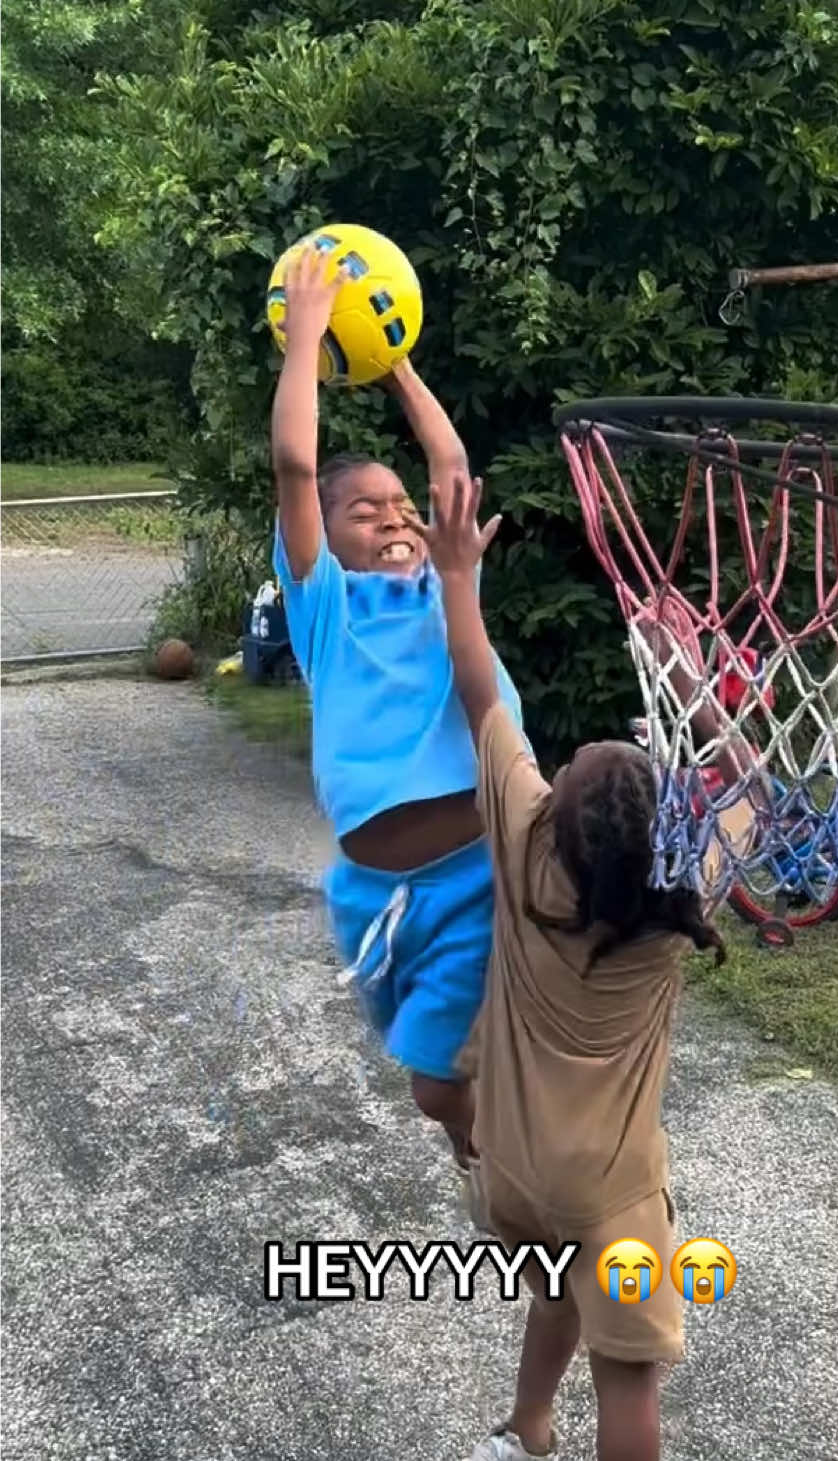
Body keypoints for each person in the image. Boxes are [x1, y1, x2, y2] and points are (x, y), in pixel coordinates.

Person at [408, 473, 751, 1461]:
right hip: (612, 1198)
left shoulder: (523, 844)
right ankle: (534, 1426)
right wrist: (696, 697)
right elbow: (756, 792)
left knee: (553, 1289)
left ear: (554, 810)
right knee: (629, 1379)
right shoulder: (675, 902)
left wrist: (458, 574)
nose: (567, 759)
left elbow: (480, 684)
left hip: (512, 1176)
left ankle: (525, 1429)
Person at [270, 244, 523, 1203]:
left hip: (482, 863)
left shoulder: (446, 582)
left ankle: (513, 1159)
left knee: (444, 1076)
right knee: (432, 1083)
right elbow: (296, 464)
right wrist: (306, 340)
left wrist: (395, 365)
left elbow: (450, 464)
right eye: (365, 510)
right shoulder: (325, 607)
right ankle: (479, 1138)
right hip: (377, 892)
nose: (394, 518)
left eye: (402, 506)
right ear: (321, 535)